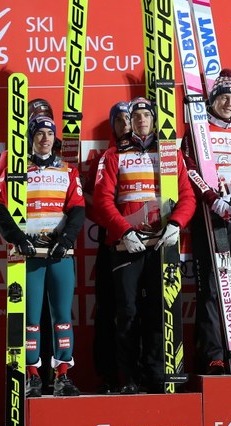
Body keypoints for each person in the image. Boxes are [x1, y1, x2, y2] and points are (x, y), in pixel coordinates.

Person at [93, 96, 196, 394]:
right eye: (134, 116)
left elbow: (187, 195)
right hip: (128, 245)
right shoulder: (113, 155)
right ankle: (128, 377)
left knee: (158, 310)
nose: (140, 121)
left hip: (160, 244)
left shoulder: (168, 153)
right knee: (126, 312)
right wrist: (124, 231)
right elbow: (101, 200)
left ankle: (156, 373)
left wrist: (177, 224)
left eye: (145, 116)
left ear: (153, 119)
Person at [0, 116, 85, 397]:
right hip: (28, 253)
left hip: (58, 253)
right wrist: (18, 239)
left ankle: (62, 375)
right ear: (31, 138)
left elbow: (78, 208)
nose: (44, 138)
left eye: (49, 133)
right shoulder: (17, 169)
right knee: (31, 318)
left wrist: (66, 239)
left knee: (62, 317)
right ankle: (32, 375)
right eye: (39, 133)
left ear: (54, 138)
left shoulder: (67, 170)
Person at [181, 68, 231, 375]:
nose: (229, 103)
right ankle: (214, 354)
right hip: (210, 215)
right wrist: (212, 199)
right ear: (212, 100)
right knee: (213, 288)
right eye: (223, 98)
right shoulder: (197, 132)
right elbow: (189, 170)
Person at [84, 101, 130, 394]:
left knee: (138, 310)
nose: (126, 124)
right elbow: (85, 204)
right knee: (108, 309)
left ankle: (138, 372)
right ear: (112, 125)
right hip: (111, 241)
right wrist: (112, 219)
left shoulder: (154, 156)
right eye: (120, 120)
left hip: (146, 242)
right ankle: (109, 375)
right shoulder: (103, 158)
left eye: (131, 118)